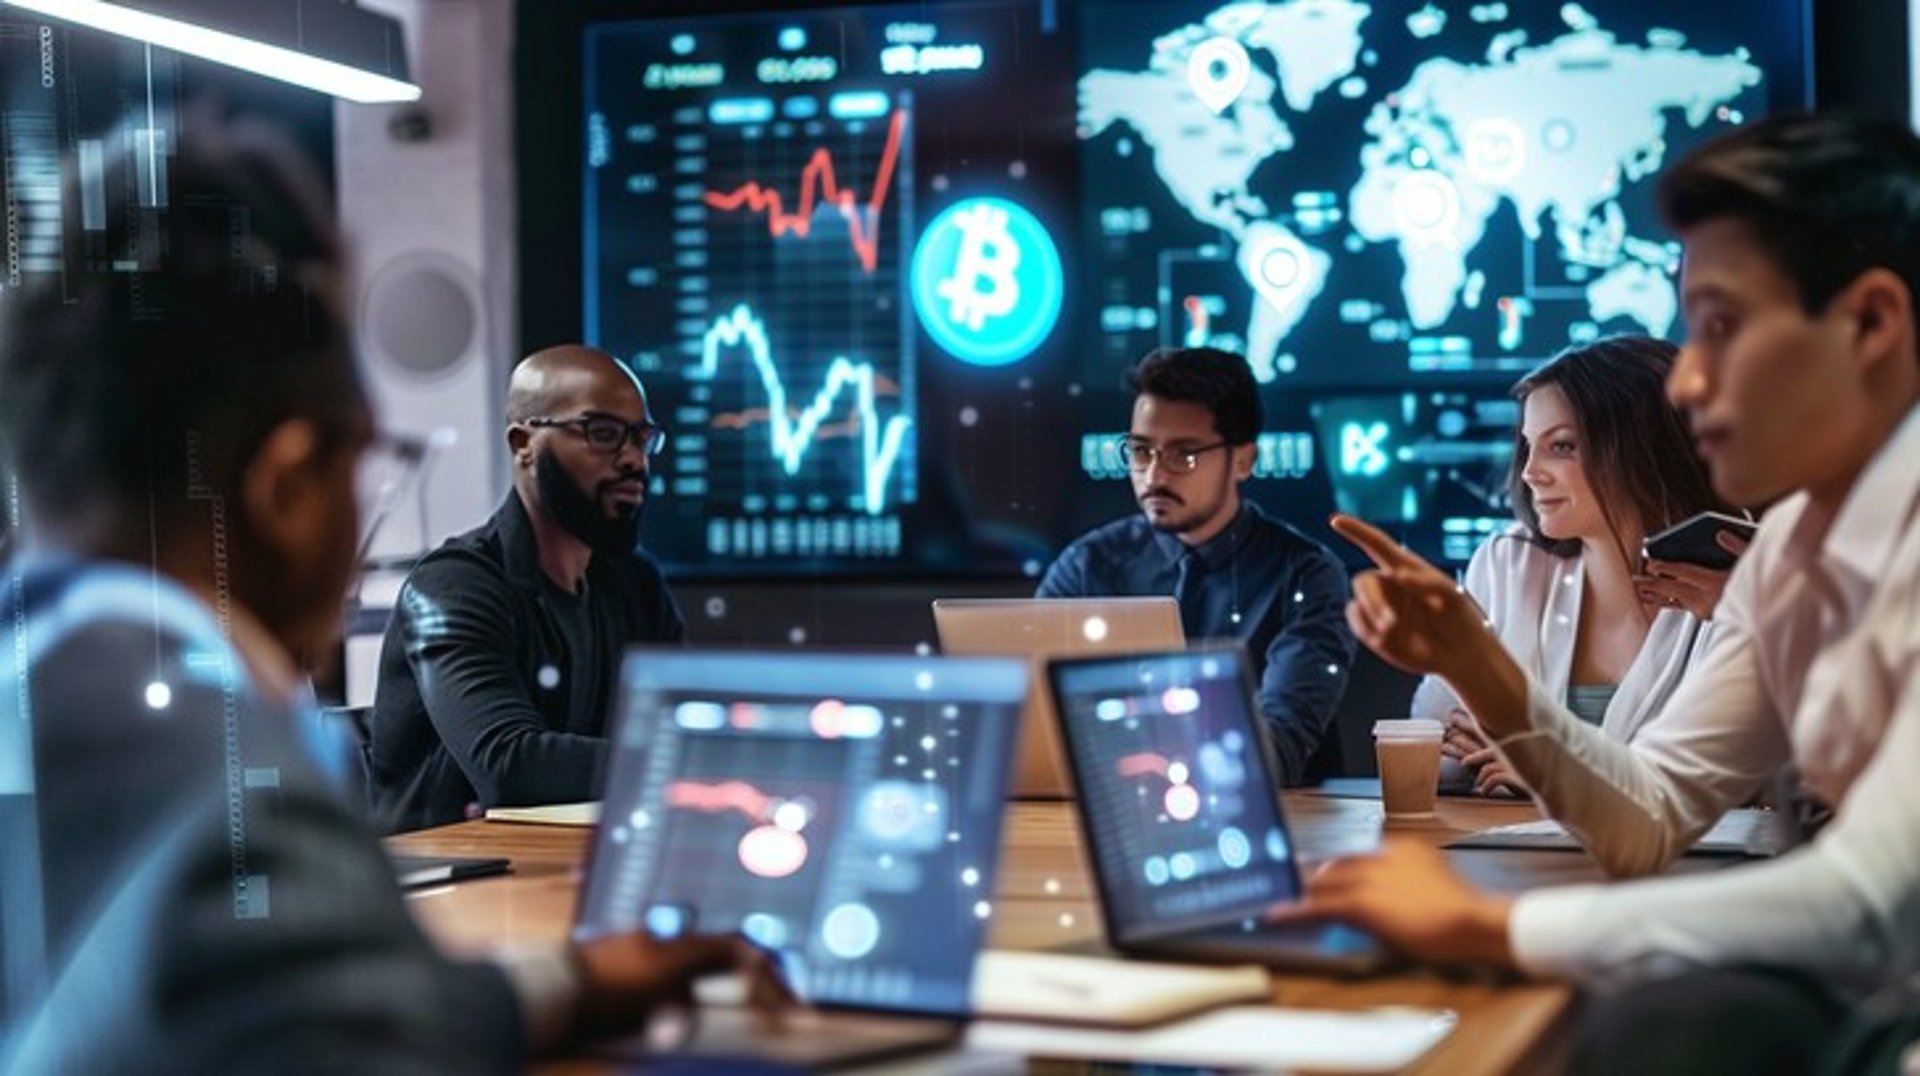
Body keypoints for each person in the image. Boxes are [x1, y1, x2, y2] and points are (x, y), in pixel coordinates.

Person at [0, 113, 775, 1072]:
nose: (634, 463)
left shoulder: (49, 699)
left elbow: (320, 1002)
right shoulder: (227, 800)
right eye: (371, 460)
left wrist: (570, 981)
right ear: (289, 485)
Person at [1281, 112, 1920, 1073]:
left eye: (1720, 326)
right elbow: (1650, 814)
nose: (1690, 382)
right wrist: (1472, 661)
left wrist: (1498, 927)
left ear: (1870, 323)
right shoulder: (1790, 548)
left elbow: (1873, 906)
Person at [368, 345, 683, 833]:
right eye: (603, 434)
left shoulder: (636, 586)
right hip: (445, 888)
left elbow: (678, 726)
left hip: (562, 866)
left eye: (644, 438)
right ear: (523, 445)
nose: (634, 460)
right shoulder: (452, 585)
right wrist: (684, 759)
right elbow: (508, 764)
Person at [1412, 336, 1745, 795]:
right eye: (1528, 446)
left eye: (1562, 446)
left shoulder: (1734, 583)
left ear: (1643, 447)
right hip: (1515, 859)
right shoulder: (1506, 566)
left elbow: (1745, 772)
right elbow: (1433, 745)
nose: (1531, 471)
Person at [1038, 346, 1355, 783]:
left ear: (1243, 460)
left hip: (1279, 831)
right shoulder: (1087, 567)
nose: (1154, 477)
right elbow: (1034, 722)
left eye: (1183, 455)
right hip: (1114, 814)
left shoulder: (1306, 575)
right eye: (1141, 451)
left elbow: (1280, 744)